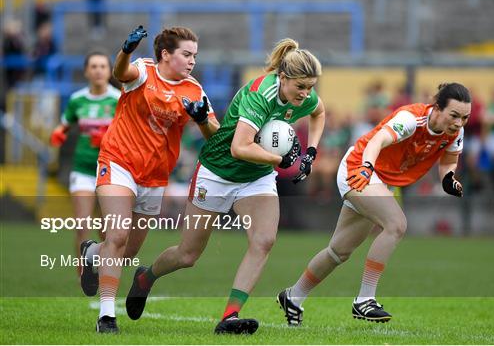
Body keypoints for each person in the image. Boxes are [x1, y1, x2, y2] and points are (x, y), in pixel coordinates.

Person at [124, 38, 326, 335]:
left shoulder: (303, 95)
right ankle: (146, 278)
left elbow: (319, 112)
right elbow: (239, 147)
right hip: (218, 171)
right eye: (301, 87)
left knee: (264, 241)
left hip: (256, 177)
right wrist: (280, 159)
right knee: (187, 255)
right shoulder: (260, 94)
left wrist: (311, 152)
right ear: (283, 78)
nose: (306, 94)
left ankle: (230, 316)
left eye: (311, 87)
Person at [277, 83, 471, 325]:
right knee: (396, 224)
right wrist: (367, 169)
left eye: (464, 117)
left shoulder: (455, 131)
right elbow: (377, 140)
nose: (459, 122)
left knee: (338, 252)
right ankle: (364, 300)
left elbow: (449, 159)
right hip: (359, 169)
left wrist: (448, 178)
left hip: (379, 179)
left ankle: (293, 297)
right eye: (454, 115)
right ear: (437, 108)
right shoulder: (412, 119)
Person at [78, 25, 220, 333]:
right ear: (166, 55)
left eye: (195, 55)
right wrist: (126, 49)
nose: (192, 61)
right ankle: (106, 317)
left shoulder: (195, 90)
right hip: (118, 161)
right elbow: (120, 72)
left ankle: (92, 253)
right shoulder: (144, 71)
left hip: (155, 176)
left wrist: (199, 119)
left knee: (128, 251)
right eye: (186, 54)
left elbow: (215, 135)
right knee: (117, 237)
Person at [49, 51, 120, 271]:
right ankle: (83, 275)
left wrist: (107, 137)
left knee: (106, 230)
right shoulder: (77, 99)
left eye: (102, 66)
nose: (98, 70)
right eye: (94, 66)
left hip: (110, 170)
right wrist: (58, 132)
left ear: (110, 71)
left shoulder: (119, 99)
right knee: (81, 225)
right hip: (83, 168)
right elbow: (65, 123)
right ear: (86, 71)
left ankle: (102, 269)